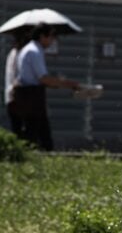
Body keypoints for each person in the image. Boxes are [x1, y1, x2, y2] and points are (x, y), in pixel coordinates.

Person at [14, 23, 81, 151]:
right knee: (36, 132)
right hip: (32, 95)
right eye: (51, 36)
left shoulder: (28, 49)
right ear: (42, 36)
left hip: (28, 94)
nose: (52, 40)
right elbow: (43, 78)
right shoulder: (34, 51)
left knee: (36, 130)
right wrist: (69, 84)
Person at [4, 28, 29, 138]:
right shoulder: (18, 54)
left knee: (18, 129)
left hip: (12, 96)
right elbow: (18, 76)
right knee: (20, 129)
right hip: (17, 96)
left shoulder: (13, 53)